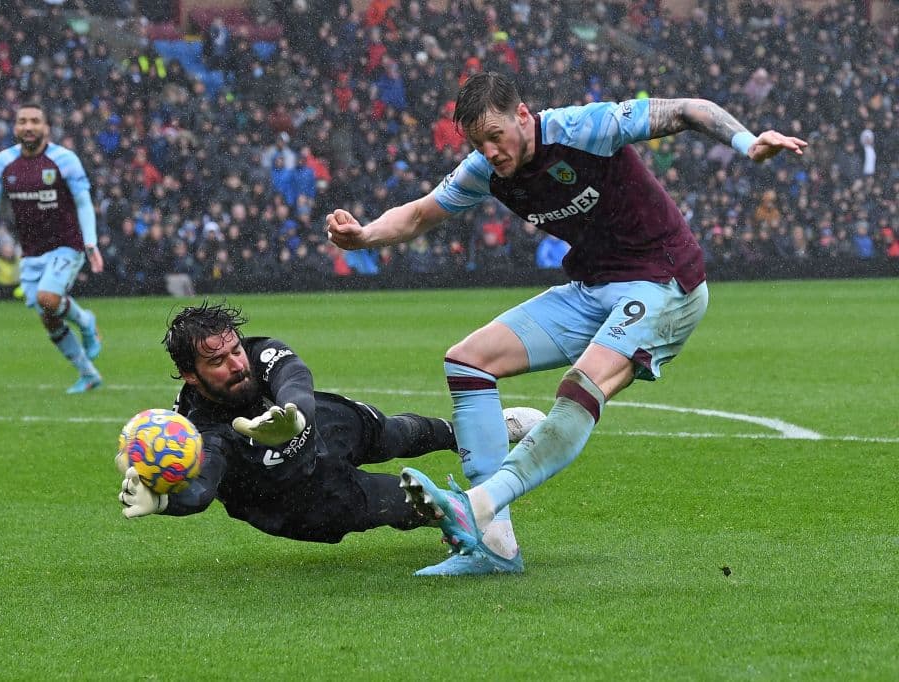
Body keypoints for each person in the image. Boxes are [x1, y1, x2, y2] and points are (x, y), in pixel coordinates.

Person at [325, 71, 807, 574]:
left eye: (496, 136)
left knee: (579, 387)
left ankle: (478, 505)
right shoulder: (485, 171)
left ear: (523, 116)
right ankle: (493, 546)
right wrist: (364, 237)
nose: (490, 151)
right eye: (477, 143)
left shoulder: (583, 128)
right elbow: (422, 214)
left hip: (665, 283)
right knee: (467, 361)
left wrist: (747, 141)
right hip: (594, 288)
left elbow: (687, 109)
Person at [116, 300, 541, 572]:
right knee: (412, 500)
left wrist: (296, 416)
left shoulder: (259, 352)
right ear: (191, 375)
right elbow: (202, 487)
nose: (236, 364)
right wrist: (166, 501)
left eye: (234, 350)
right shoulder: (200, 428)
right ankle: (467, 517)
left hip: (323, 427)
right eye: (217, 361)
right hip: (299, 497)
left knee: (395, 432)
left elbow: (293, 375)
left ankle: (468, 432)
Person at [0, 103, 104, 394]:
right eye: (23, 121)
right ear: (15, 128)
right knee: (49, 318)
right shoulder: (3, 163)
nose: (29, 126)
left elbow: (84, 202)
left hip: (67, 245)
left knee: (49, 298)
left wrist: (90, 242)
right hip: (32, 252)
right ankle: (88, 374)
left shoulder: (64, 159)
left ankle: (86, 322)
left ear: (46, 127)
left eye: (35, 120)